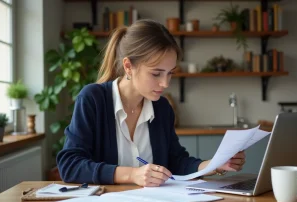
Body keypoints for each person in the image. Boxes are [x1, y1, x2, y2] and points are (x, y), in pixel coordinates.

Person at [57, 19, 246, 187]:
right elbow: (70, 165)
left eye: (170, 73)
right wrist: (133, 174)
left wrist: (214, 165)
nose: (165, 83)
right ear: (128, 66)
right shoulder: (93, 99)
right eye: (156, 73)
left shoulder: (162, 108)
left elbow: (176, 162)